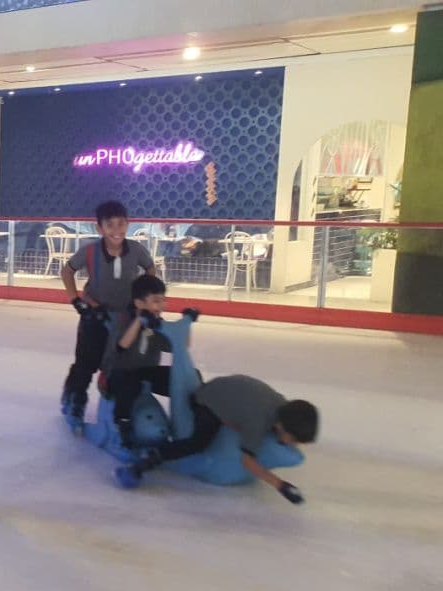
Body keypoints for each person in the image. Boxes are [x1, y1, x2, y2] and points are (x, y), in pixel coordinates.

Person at [114, 375, 318, 504]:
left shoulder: (281, 406)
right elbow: (247, 461)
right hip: (205, 401)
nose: (293, 444)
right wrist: (280, 485)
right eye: (292, 439)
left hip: (223, 390)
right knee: (198, 444)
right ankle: (147, 460)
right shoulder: (258, 423)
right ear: (282, 426)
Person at [60, 200, 156, 425]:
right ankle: (75, 400)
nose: (116, 231)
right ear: (99, 228)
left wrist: (147, 295)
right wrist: (76, 299)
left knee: (119, 363)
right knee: (86, 363)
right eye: (110, 225)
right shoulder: (90, 251)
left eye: (121, 224)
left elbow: (150, 268)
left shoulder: (136, 250)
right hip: (95, 316)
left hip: (125, 319)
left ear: (128, 224)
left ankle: (116, 405)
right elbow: (67, 270)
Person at [105, 274, 178, 449]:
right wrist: (140, 321)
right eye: (156, 301)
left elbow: (174, 347)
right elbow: (122, 346)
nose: (161, 306)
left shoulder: (158, 323)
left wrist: (186, 324)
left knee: (179, 378)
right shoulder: (124, 321)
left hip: (148, 371)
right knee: (129, 383)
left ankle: (185, 421)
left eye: (163, 301)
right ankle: (122, 423)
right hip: (120, 372)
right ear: (139, 304)